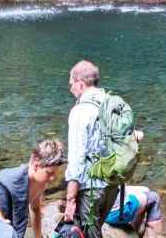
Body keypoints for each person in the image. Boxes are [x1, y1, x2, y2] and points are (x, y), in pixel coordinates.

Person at [63, 60, 119, 238]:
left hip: (91, 189)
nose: (70, 89)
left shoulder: (80, 112)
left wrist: (70, 199)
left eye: (71, 84)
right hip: (112, 184)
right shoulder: (112, 103)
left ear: (80, 83)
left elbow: (76, 157)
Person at [0, 140, 66, 238]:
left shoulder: (39, 182)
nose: (53, 178)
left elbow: (35, 208)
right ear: (35, 164)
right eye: (49, 173)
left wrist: (39, 236)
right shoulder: (5, 187)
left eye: (55, 173)